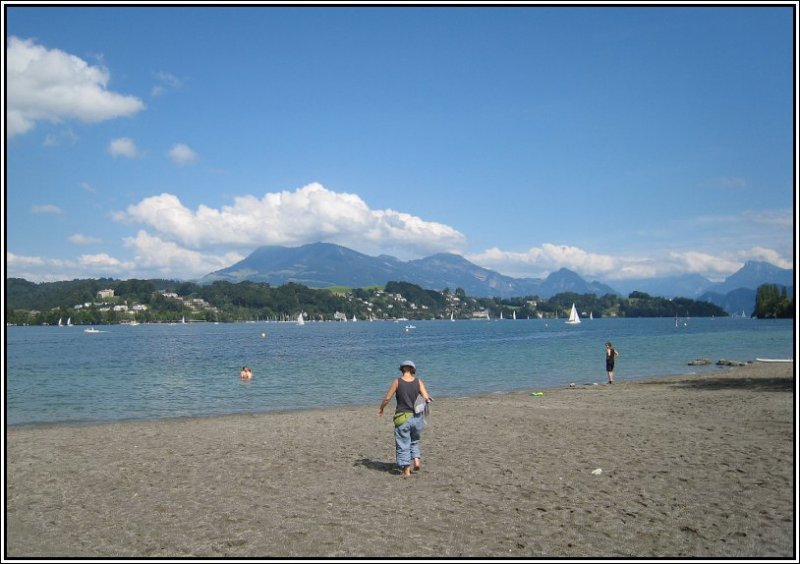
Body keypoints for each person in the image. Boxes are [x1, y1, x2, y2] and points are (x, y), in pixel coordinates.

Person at [378, 360, 432, 478]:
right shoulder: (418, 382)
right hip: (417, 418)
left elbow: (387, 398)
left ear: (402, 369)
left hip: (403, 417)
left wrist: (382, 408)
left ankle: (406, 470)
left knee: (403, 443)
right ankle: (416, 460)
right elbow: (426, 397)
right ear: (413, 369)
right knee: (414, 440)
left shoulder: (397, 382)